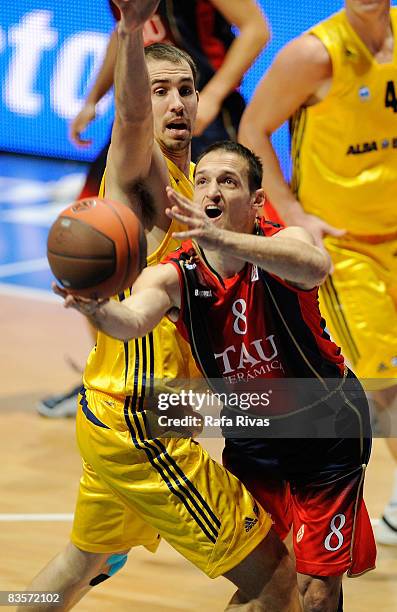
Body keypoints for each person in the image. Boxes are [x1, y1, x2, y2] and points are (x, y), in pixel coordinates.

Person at [22, 3, 297, 611]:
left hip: (129, 414)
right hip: (138, 423)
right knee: (277, 576)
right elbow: (129, 119)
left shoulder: (202, 180)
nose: (177, 103)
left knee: (75, 568)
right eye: (161, 91)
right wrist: (127, 35)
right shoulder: (141, 181)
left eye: (187, 90)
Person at [53, 140, 376, 612]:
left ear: (258, 202)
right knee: (268, 579)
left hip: (326, 432)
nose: (213, 189)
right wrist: (97, 308)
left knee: (317, 588)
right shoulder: (173, 274)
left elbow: (316, 267)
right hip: (253, 437)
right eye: (203, 180)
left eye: (229, 181)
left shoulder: (285, 241)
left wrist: (221, 239)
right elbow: (132, 321)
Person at [38, 0, 269, 418]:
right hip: (145, 113)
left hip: (207, 119)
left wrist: (211, 95)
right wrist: (94, 96)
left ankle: (240, 374)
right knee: (100, 235)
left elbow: (256, 28)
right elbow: (128, 31)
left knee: (247, 245)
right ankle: (112, 373)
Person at [238, 0, 397, 545]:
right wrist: (292, 212)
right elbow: (253, 129)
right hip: (348, 247)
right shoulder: (312, 54)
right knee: (388, 375)